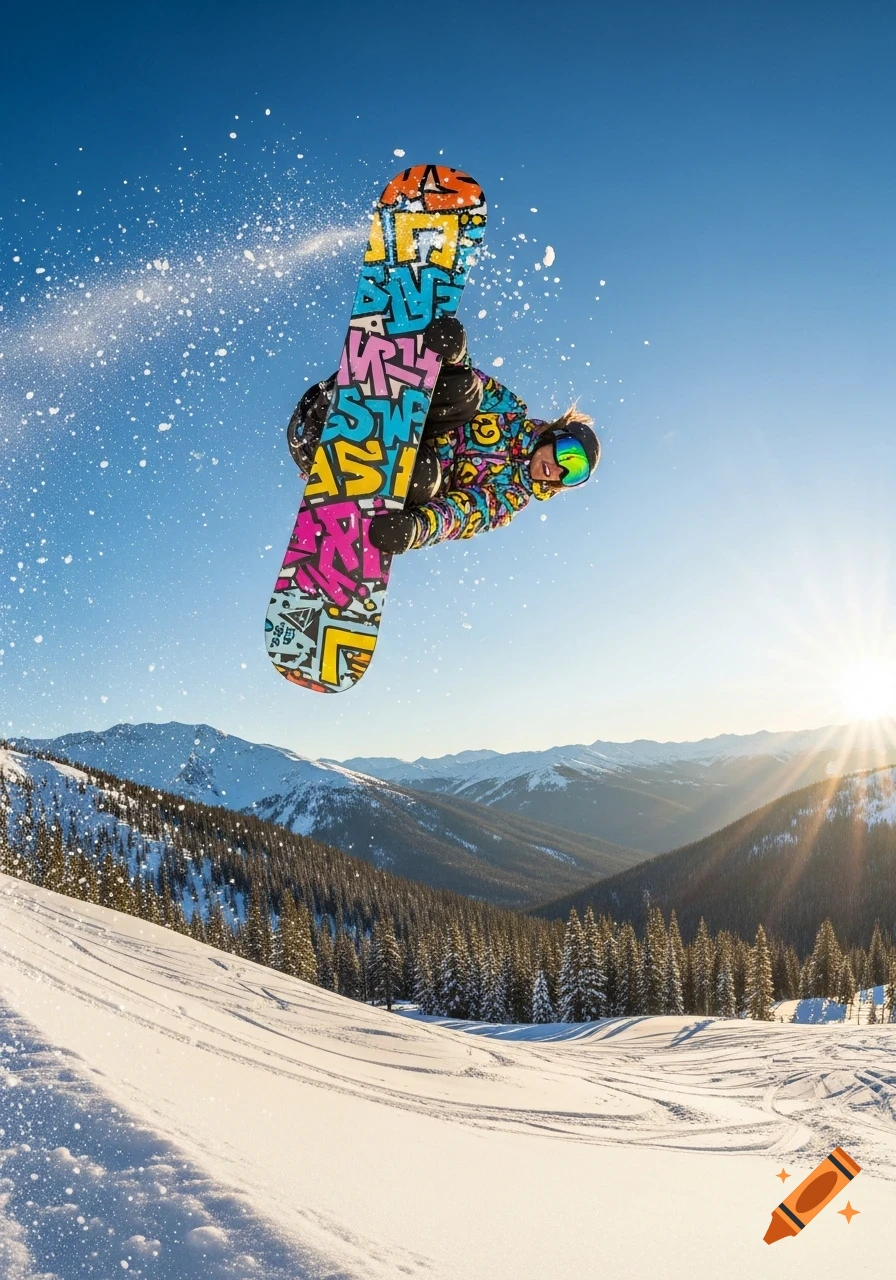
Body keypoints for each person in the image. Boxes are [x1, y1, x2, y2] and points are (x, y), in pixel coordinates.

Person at [286, 317, 600, 554]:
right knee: (464, 389)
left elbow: (457, 515)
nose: (558, 469)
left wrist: (414, 529)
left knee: (424, 473)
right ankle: (370, 402)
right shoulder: (510, 411)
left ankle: (355, 468)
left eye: (573, 474)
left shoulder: (509, 499)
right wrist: (454, 353)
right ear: (555, 435)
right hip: (417, 420)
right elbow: (475, 382)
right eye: (568, 455)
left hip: (416, 469)